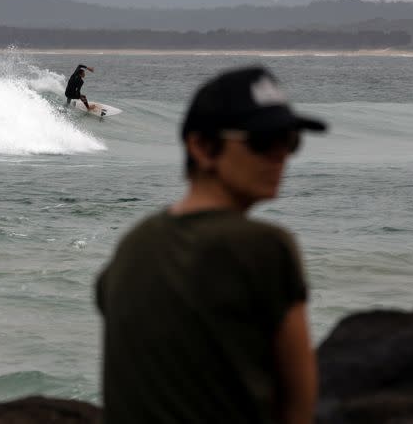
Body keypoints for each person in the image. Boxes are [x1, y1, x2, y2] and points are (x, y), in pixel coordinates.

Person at [95, 65, 326, 424]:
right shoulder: (264, 246)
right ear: (202, 147)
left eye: (289, 141)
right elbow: (298, 405)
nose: (281, 155)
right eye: (263, 142)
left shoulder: (134, 244)